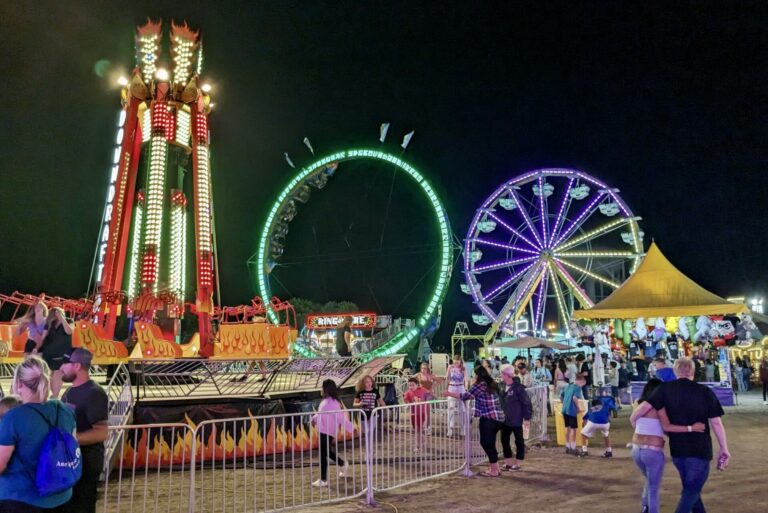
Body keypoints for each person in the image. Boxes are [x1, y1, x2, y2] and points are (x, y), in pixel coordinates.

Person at [631, 357, 729, 513]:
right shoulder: (704, 391)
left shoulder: (663, 390)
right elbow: (716, 423)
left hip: (678, 450)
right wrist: (724, 448)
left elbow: (641, 409)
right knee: (691, 491)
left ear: (675, 371)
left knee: (691, 490)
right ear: (693, 371)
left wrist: (634, 422)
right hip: (700, 450)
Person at [0, 356, 77, 511]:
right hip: (61, 496)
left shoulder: (14, 418)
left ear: (19, 384)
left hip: (22, 499)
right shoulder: (62, 409)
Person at [629, 379, 706, 513]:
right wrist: (691, 428)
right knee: (653, 487)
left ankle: (645, 507)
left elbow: (633, 420)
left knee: (648, 480)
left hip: (636, 449)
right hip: (652, 451)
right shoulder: (660, 406)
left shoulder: (638, 403)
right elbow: (667, 427)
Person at [60, 348, 109, 513]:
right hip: (72, 464)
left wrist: (70, 439)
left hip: (86, 465)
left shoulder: (94, 394)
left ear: (77, 366)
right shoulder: (70, 391)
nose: (61, 368)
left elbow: (101, 432)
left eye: (65, 364)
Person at [444, 365, 504, 477]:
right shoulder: (491, 383)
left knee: (486, 443)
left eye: (474, 374)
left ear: (478, 375)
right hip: (498, 418)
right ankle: (495, 467)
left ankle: (494, 469)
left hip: (488, 418)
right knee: (490, 443)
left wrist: (449, 393)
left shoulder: (480, 385)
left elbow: (466, 395)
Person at [311, 379, 353, 487]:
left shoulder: (333, 402)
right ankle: (342, 464)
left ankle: (324, 479)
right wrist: (314, 419)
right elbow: (322, 413)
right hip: (323, 429)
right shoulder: (327, 400)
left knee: (323, 454)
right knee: (325, 452)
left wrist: (350, 428)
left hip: (328, 430)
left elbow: (340, 418)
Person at [499, 366, 532, 471]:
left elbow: (526, 403)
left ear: (507, 375)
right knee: (504, 440)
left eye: (502, 373)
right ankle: (508, 462)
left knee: (519, 441)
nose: (500, 375)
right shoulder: (501, 386)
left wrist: (527, 418)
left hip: (516, 419)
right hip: (504, 419)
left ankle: (518, 463)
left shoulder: (518, 388)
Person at [41, 307, 73, 398]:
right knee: (49, 375)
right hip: (49, 352)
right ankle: (52, 395)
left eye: (59, 312)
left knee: (58, 373)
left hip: (62, 353)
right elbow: (43, 337)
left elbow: (69, 332)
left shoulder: (69, 321)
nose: (56, 314)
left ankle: (55, 396)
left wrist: (61, 319)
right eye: (54, 312)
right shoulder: (49, 324)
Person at [403, 377, 433, 453]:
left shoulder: (422, 390)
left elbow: (429, 395)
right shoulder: (408, 392)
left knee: (419, 430)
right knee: (417, 430)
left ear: (417, 385)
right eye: (409, 385)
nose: (411, 387)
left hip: (421, 413)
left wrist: (427, 400)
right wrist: (406, 405)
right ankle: (421, 444)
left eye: (412, 385)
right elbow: (405, 400)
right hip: (413, 414)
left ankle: (418, 445)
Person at [560, 374, 585, 456]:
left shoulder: (567, 386)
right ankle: (573, 447)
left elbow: (561, 396)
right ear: (580, 381)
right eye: (582, 383)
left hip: (564, 409)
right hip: (571, 410)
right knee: (573, 429)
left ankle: (567, 446)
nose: (582, 385)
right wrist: (578, 408)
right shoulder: (577, 387)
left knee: (567, 428)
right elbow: (575, 398)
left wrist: (564, 403)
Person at [446, 355, 467, 437]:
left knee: (462, 410)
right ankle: (450, 429)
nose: (456, 362)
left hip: (461, 388)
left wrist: (466, 388)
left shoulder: (463, 368)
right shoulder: (450, 367)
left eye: (457, 360)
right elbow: (447, 378)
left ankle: (463, 429)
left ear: (460, 361)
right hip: (451, 388)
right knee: (450, 409)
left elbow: (466, 379)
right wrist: (446, 389)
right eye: (455, 360)